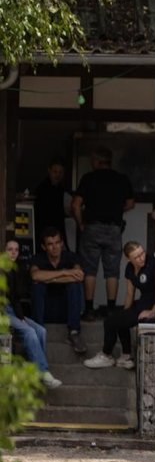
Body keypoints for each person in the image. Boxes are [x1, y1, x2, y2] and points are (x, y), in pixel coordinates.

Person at [71, 146, 135, 320]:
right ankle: (112, 309)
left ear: (97, 161)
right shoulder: (121, 179)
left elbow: (76, 204)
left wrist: (81, 224)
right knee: (112, 271)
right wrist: (115, 210)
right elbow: (130, 203)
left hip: (92, 227)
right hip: (114, 228)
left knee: (90, 269)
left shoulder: (88, 179)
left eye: (92, 160)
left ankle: (89, 309)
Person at [84, 241, 155, 370]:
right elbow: (130, 292)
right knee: (118, 318)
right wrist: (125, 313)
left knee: (110, 322)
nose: (142, 258)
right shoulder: (129, 268)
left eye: (142, 253)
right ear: (129, 259)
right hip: (142, 302)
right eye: (137, 257)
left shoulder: (152, 263)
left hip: (152, 305)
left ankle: (107, 355)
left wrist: (154, 311)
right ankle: (126, 357)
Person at [4, 237, 60, 389]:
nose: (13, 252)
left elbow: (16, 298)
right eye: (10, 249)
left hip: (12, 310)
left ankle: (35, 372)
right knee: (29, 332)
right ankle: (44, 373)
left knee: (40, 330)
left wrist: (21, 317)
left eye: (16, 250)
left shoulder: (14, 270)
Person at [29, 227, 87, 356]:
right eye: (50, 244)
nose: (54, 247)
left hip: (67, 310)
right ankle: (38, 332)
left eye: (57, 243)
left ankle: (74, 333)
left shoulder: (71, 257)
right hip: (45, 311)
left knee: (75, 285)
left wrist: (49, 279)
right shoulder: (38, 258)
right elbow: (35, 276)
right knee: (37, 287)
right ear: (44, 247)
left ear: (62, 243)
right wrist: (64, 272)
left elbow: (78, 275)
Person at [32, 156, 71, 248]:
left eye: (60, 172)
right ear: (49, 170)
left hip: (57, 230)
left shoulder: (60, 189)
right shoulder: (42, 189)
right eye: (55, 172)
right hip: (45, 230)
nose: (58, 175)